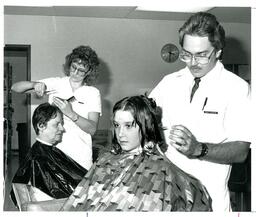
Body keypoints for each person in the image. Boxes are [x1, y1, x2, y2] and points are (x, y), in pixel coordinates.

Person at [149, 12, 251, 211]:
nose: (193, 62)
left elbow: (240, 151)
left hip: (209, 199)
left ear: (218, 51)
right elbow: (147, 118)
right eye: (187, 54)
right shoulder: (169, 82)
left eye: (202, 55)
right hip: (166, 195)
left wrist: (198, 149)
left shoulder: (237, 88)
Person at [59, 95, 212, 211]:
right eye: (117, 125)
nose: (120, 133)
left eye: (128, 126)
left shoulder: (161, 171)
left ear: (145, 126)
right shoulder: (105, 160)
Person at [11, 45, 102, 170]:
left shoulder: (92, 93)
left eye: (81, 70)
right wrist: (35, 84)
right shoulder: (58, 83)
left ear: (89, 72)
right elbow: (15, 88)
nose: (75, 73)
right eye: (73, 67)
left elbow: (92, 129)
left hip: (81, 156)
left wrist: (71, 114)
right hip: (54, 153)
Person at [11, 103, 87, 201]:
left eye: (62, 123)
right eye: (57, 124)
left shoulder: (49, 151)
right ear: (41, 126)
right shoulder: (38, 159)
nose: (62, 128)